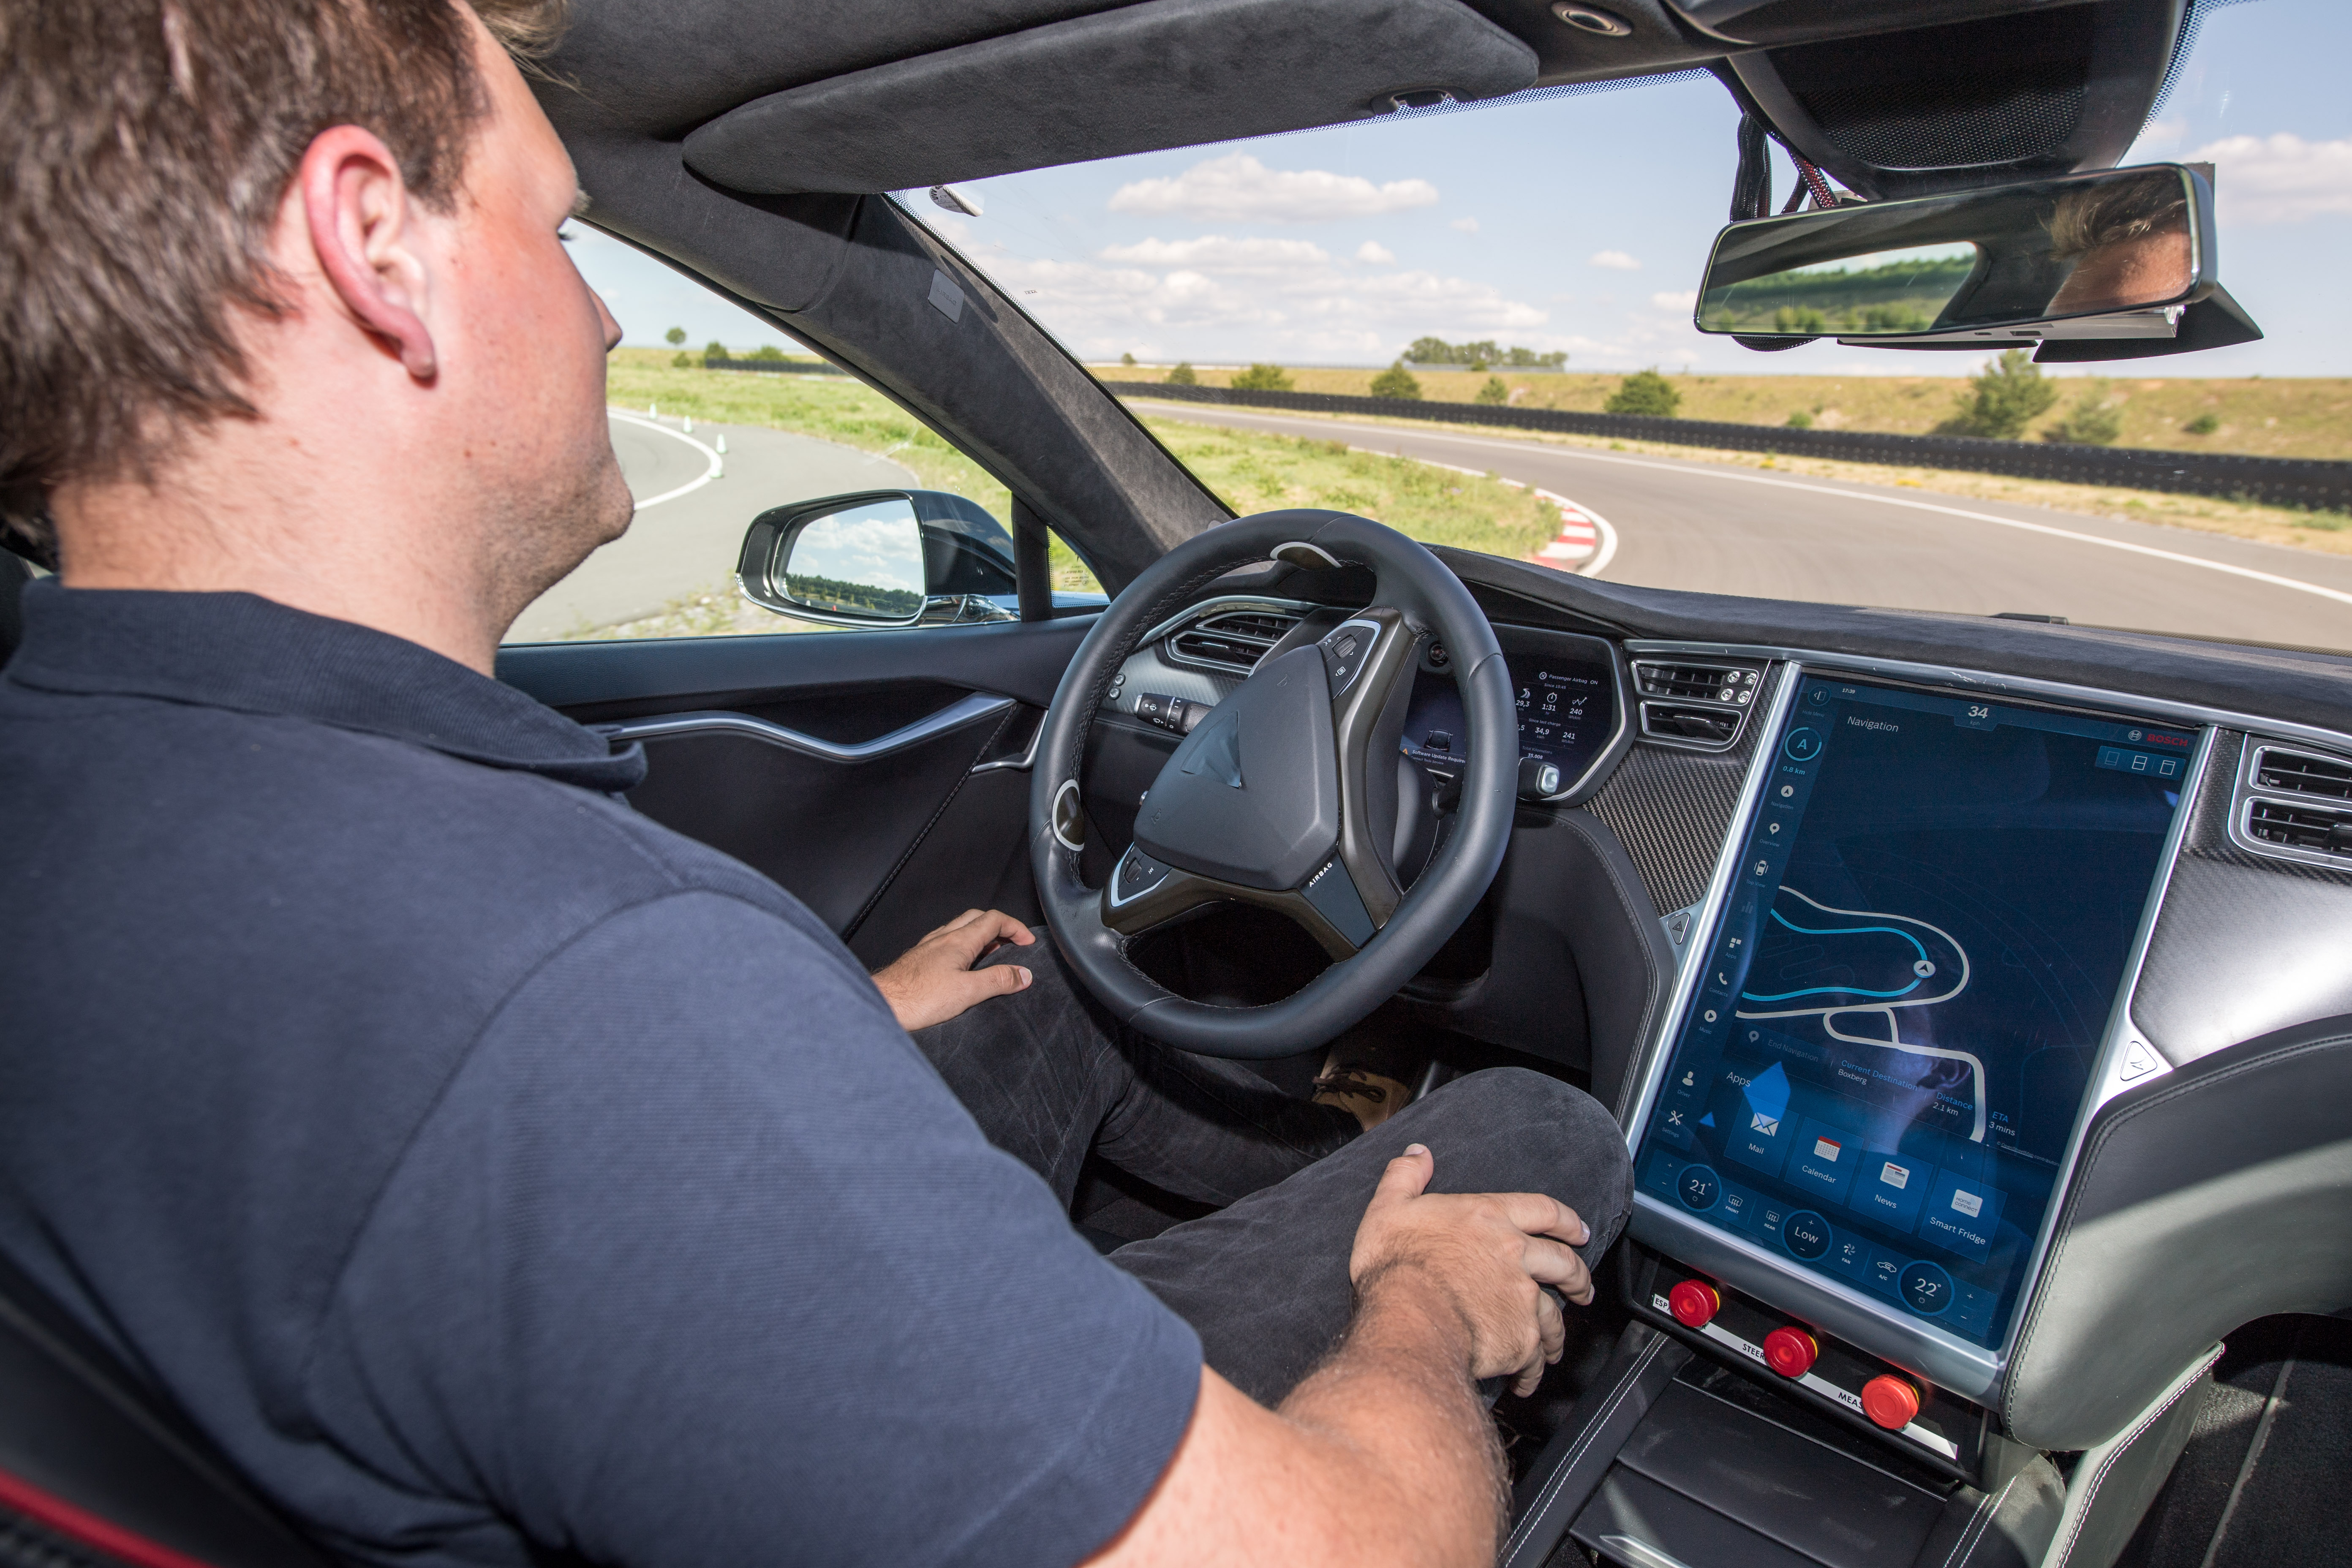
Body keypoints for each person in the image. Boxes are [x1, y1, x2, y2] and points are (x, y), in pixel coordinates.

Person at [0, 3, 1634, 1567]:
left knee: (1036, 973)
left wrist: (824, 1021)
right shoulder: (581, 990)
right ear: (372, 245)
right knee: (1530, 1133)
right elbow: (1363, 1552)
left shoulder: (78, 772)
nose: (606, 317)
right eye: (559, 233)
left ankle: (1302, 1160)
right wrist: (1417, 1299)